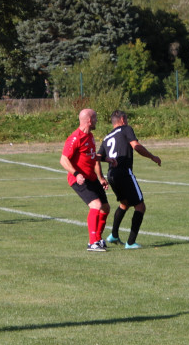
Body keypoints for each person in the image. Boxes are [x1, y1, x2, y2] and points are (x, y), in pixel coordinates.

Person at [100, 110, 161, 249]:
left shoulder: (106, 137)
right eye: (126, 119)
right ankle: (131, 242)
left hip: (111, 174)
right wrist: (152, 156)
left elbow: (98, 157)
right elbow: (136, 146)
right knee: (140, 206)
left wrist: (101, 177)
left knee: (124, 203)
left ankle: (114, 235)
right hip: (124, 172)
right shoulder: (126, 129)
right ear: (122, 119)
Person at [59, 108, 113, 252]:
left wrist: (102, 174)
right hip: (79, 179)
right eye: (95, 118)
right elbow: (63, 160)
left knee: (105, 208)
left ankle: (99, 239)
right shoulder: (75, 138)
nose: (96, 121)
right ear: (89, 120)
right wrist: (76, 173)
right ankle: (92, 242)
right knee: (95, 205)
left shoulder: (90, 136)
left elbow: (92, 156)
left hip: (91, 177)